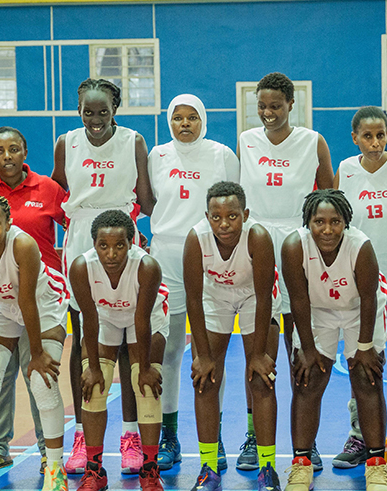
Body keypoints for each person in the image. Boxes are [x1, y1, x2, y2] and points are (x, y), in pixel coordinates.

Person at [52, 78, 154, 475]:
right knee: (84, 339)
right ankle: (83, 433)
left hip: (123, 234)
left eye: (103, 112)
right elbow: (59, 193)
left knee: (131, 338)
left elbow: (146, 199)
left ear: (115, 110)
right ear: (79, 111)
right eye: (87, 112)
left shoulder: (133, 141)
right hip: (80, 237)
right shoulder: (66, 142)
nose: (95, 119)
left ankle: (130, 435)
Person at [238, 72, 334, 469]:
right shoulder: (246, 140)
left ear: (291, 104)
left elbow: (328, 196)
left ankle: (304, 439)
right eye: (262, 106)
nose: (267, 113)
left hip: (298, 247)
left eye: (275, 105)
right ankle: (252, 436)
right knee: (259, 349)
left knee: (301, 348)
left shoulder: (313, 141)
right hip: (256, 244)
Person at [0, 126, 68, 473]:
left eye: (14, 149)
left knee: (40, 375)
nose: (7, 156)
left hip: (40, 295)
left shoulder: (48, 190)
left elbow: (72, 223)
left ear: (25, 151)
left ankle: (49, 458)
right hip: (1, 295)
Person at [146, 94, 239, 471]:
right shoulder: (157, 155)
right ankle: (170, 435)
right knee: (168, 350)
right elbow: (151, 201)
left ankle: (212, 439)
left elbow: (231, 206)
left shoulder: (222, 155)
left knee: (211, 351)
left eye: (192, 118)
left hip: (209, 253)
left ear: (203, 120)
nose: (184, 124)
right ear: (169, 121)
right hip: (166, 255)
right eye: (178, 118)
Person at [281, 189, 387, 491]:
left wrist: (365, 348)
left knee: (367, 379)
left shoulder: (360, 246)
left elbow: (369, 299)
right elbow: (299, 300)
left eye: (335, 222)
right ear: (308, 222)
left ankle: (377, 465)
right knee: (307, 379)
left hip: (359, 311)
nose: (327, 229)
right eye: (319, 222)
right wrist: (307, 348)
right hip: (317, 312)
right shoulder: (294, 246)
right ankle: (301, 464)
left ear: (346, 223)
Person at [333, 106, 387, 469]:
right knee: (362, 361)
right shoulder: (346, 170)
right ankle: (362, 435)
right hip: (362, 283)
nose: (375, 141)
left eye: (381, 134)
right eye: (367, 135)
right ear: (354, 138)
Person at [183, 181, 282, 490]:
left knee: (261, 379)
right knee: (205, 379)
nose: (224, 224)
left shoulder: (259, 237)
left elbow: (265, 295)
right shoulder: (196, 239)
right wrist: (202, 355)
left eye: (232, 216)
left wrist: (257, 354)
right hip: (215, 297)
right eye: (216, 217)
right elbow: (193, 298)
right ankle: (209, 467)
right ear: (207, 216)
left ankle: (267, 467)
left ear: (245, 214)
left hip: (256, 297)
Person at [68, 209, 169, 491]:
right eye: (103, 246)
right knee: (94, 389)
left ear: (132, 242)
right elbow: (88, 318)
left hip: (145, 320)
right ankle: (95, 471)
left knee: (147, 387)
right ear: (93, 245)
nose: (111, 254)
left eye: (119, 245)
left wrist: (146, 368)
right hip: (105, 319)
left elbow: (142, 320)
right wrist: (94, 369)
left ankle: (149, 469)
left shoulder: (146, 266)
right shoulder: (81, 267)